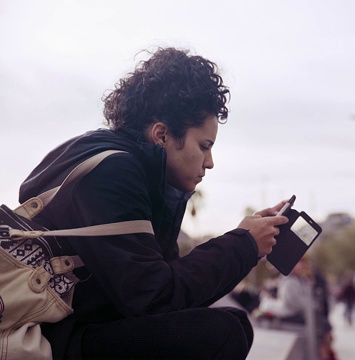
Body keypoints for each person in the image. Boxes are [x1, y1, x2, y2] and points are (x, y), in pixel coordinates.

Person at [19, 47, 289, 359]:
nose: (210, 162)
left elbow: (169, 288)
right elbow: (154, 298)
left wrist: (247, 243)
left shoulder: (140, 175)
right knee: (221, 334)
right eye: (204, 146)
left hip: (84, 326)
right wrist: (243, 246)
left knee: (236, 324)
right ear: (161, 135)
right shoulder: (111, 171)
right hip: (52, 338)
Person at [256, 257, 336, 360]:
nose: (304, 266)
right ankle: (323, 354)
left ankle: (323, 353)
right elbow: (292, 302)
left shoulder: (300, 280)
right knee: (323, 327)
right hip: (291, 313)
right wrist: (310, 304)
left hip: (298, 312)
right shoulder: (289, 281)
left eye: (305, 264)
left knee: (324, 328)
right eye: (301, 264)